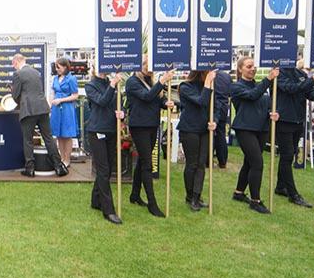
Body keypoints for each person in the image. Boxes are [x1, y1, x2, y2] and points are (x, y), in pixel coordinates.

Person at [125, 57, 174, 217]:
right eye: (145, 64)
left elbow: (155, 99)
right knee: (147, 163)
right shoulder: (132, 82)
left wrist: (165, 102)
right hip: (139, 127)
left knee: (142, 160)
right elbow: (146, 97)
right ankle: (152, 204)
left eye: (150, 64)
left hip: (152, 125)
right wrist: (161, 81)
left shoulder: (150, 81)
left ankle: (135, 194)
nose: (148, 67)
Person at [230, 59, 280, 214]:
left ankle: (238, 193)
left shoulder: (259, 85)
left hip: (262, 128)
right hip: (245, 129)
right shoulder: (237, 86)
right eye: (248, 66)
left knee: (249, 162)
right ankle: (255, 201)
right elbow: (252, 96)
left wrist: (272, 113)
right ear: (240, 69)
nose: (252, 69)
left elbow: (264, 102)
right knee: (257, 163)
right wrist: (268, 79)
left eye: (254, 66)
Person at [275, 62, 314, 207]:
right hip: (284, 120)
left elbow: (308, 91)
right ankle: (293, 194)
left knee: (291, 154)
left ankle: (280, 186)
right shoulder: (279, 73)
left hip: (298, 120)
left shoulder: (301, 74)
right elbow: (292, 88)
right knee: (287, 155)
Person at [10, 53, 68, 177]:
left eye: (13, 65)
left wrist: (14, 93)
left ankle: (30, 169)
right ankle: (59, 166)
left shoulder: (18, 74)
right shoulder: (36, 72)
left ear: (16, 62)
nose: (13, 67)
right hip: (42, 108)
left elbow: (15, 95)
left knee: (28, 140)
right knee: (48, 138)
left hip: (28, 110)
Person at [85, 69, 125, 224]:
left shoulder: (111, 83)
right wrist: (113, 84)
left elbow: (118, 103)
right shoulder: (91, 86)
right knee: (103, 169)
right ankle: (108, 210)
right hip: (96, 131)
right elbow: (102, 101)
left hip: (111, 129)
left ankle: (96, 200)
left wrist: (122, 113)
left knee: (107, 168)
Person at [177, 70, 217, 212]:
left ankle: (196, 196)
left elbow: (215, 107)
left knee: (201, 164)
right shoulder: (185, 87)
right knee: (192, 164)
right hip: (190, 129)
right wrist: (208, 83)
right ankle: (189, 196)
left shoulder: (208, 86)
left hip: (204, 129)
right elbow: (202, 101)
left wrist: (215, 121)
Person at [49, 57, 79, 168]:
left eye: (59, 67)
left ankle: (67, 159)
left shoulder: (71, 79)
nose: (57, 69)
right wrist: (50, 104)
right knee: (59, 135)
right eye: (56, 67)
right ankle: (62, 158)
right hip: (56, 109)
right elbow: (52, 92)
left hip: (67, 109)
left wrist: (61, 100)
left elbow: (75, 95)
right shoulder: (55, 79)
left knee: (67, 135)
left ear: (65, 67)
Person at [213, 69, 232, 169]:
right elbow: (230, 92)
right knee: (221, 133)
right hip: (224, 106)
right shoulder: (227, 76)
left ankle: (208, 159)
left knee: (210, 132)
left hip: (213, 105)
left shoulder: (210, 74)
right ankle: (222, 161)